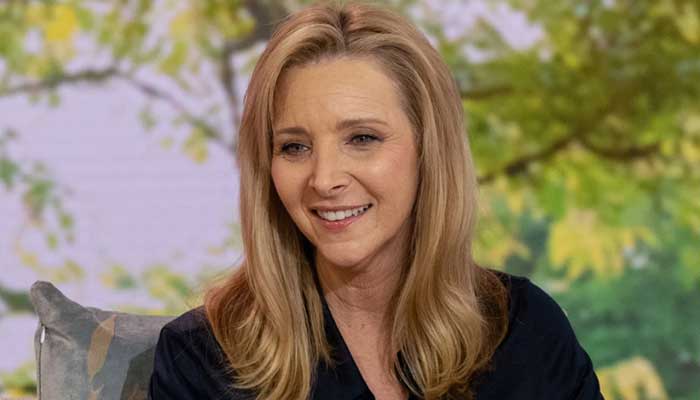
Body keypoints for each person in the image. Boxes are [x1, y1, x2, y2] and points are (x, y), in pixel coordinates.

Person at [148, 1, 603, 399]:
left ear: (428, 150)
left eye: (362, 138)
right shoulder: (204, 359)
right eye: (294, 146)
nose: (324, 179)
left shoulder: (524, 332)